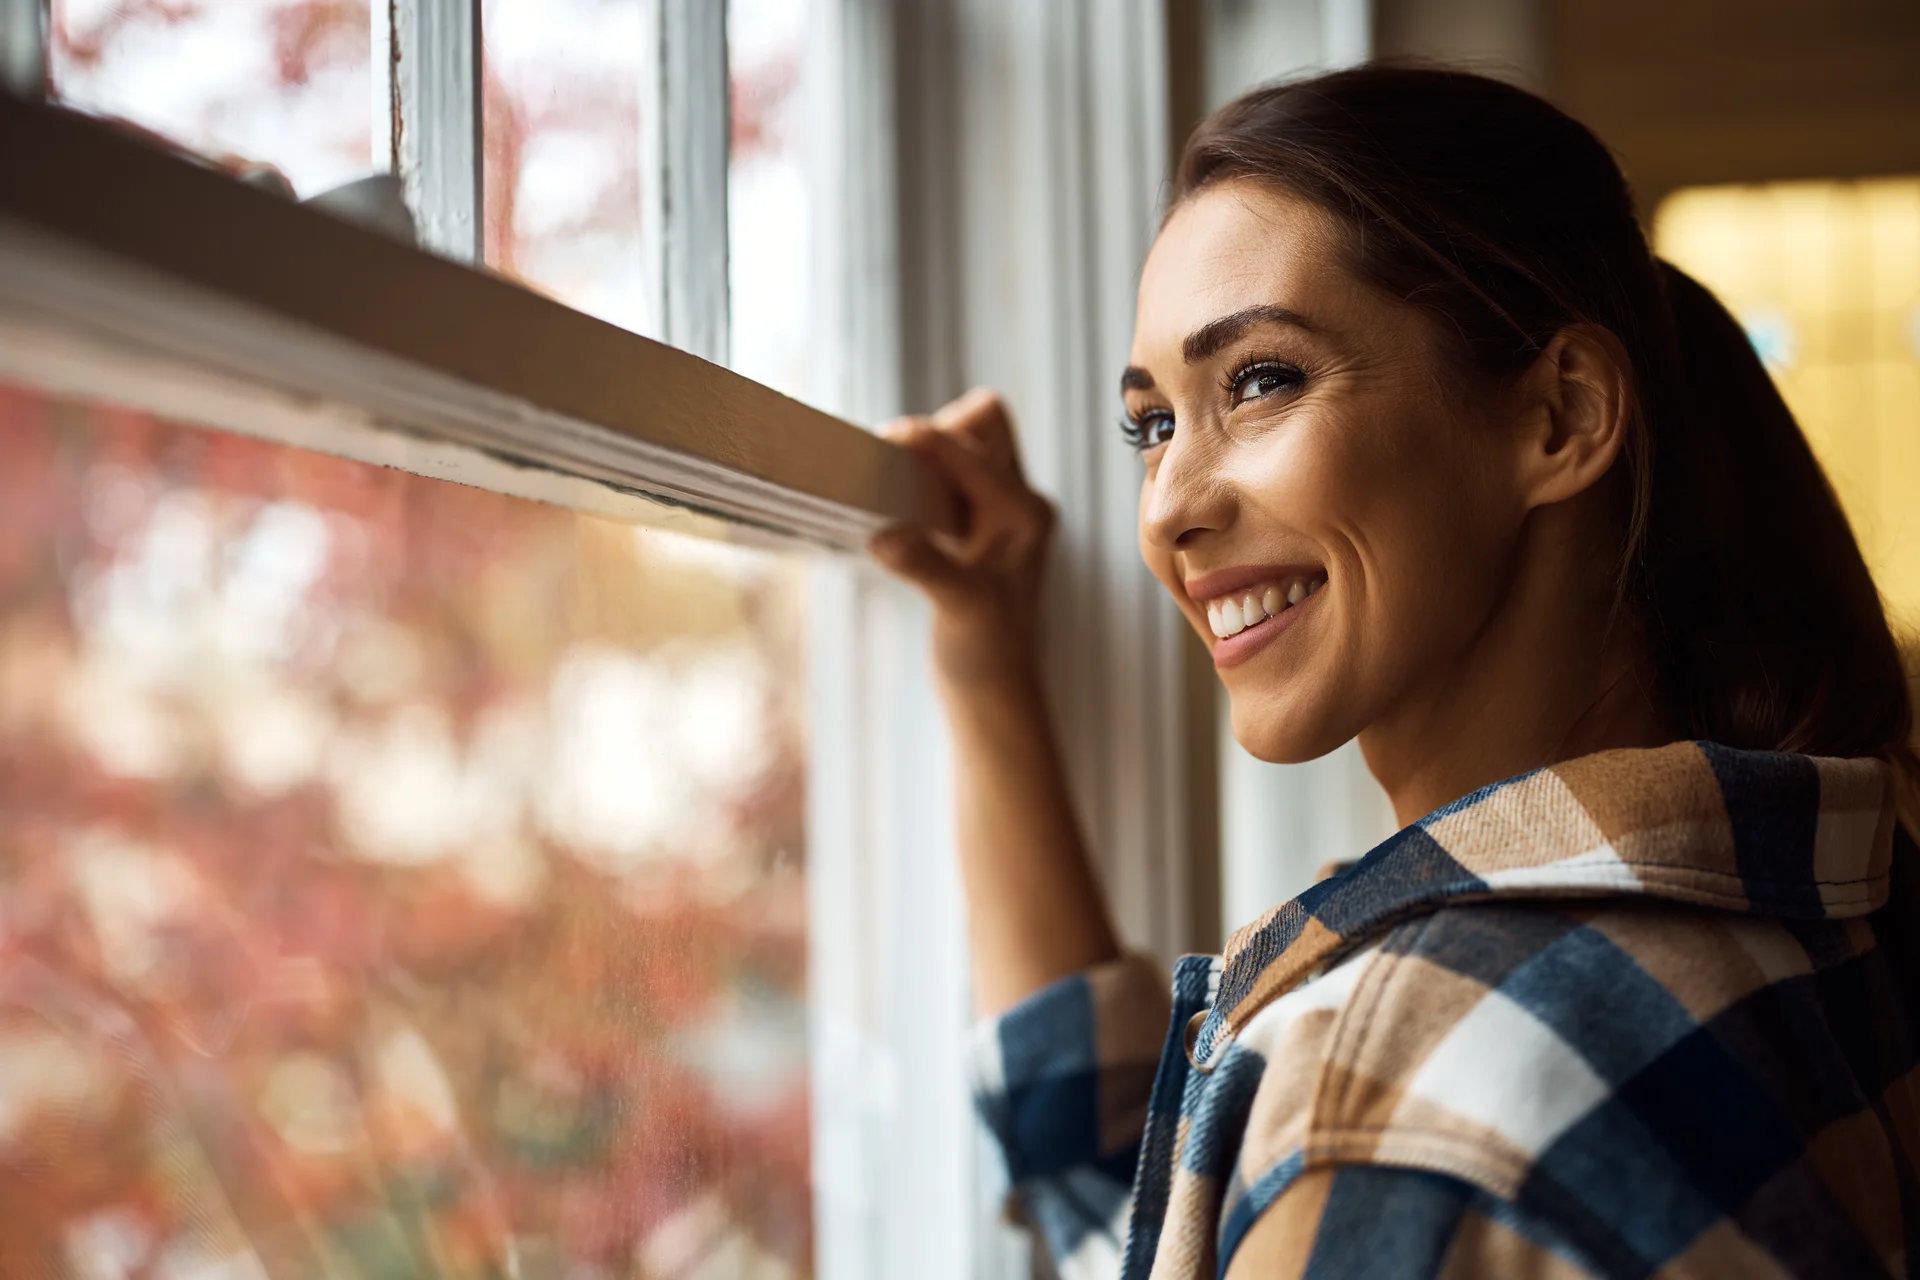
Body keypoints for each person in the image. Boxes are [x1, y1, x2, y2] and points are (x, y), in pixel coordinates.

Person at [870, 66, 1920, 1280]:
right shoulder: (1822, 916)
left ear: (1562, 418)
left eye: (1260, 379)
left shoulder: (1399, 1114)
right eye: (1153, 422)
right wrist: (986, 655)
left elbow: (1368, 1159)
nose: (1165, 507)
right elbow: (1156, 1222)